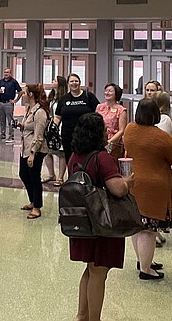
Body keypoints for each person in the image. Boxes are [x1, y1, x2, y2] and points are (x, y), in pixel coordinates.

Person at [68, 113, 134, 321]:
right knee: (99, 273)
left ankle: (82, 315)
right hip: (102, 223)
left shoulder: (75, 156)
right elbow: (117, 190)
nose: (107, 133)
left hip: (81, 221)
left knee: (90, 269)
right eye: (104, 130)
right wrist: (128, 182)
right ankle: (93, 318)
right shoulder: (101, 158)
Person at [123, 98, 172, 280]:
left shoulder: (129, 129)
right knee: (150, 230)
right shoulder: (160, 136)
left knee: (138, 226)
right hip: (154, 188)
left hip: (134, 183)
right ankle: (146, 270)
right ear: (156, 115)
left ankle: (143, 260)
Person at [17, 83, 49, 220]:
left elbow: (39, 135)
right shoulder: (29, 109)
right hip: (25, 148)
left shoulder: (40, 112)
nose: (22, 95)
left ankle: (37, 207)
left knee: (34, 177)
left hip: (35, 150)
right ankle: (32, 200)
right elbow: (29, 127)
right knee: (24, 174)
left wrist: (32, 154)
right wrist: (22, 125)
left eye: (24, 93)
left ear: (30, 94)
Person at [55, 73, 100, 169]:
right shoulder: (64, 99)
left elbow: (98, 113)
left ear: (80, 82)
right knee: (70, 159)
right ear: (68, 83)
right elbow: (58, 116)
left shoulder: (89, 97)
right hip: (68, 135)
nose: (74, 83)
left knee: (85, 159)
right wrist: (53, 129)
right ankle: (72, 178)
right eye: (71, 81)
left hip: (86, 135)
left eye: (76, 81)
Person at [45, 75, 68, 185]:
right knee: (47, 151)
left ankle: (60, 177)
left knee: (61, 153)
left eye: (54, 80)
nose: (52, 81)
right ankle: (51, 174)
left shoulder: (63, 98)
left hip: (60, 127)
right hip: (50, 126)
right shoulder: (51, 96)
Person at [96, 82, 128, 160]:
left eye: (110, 91)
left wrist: (109, 141)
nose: (107, 93)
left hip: (114, 143)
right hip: (99, 140)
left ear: (116, 94)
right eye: (106, 90)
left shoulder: (121, 110)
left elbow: (121, 130)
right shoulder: (99, 107)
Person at [0, 67, 22, 143]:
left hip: (9, 103)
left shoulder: (13, 82)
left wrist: (15, 100)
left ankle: (11, 136)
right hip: (1, 102)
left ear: (10, 73)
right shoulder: (0, 82)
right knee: (2, 120)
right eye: (5, 72)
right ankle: (2, 134)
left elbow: (20, 91)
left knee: (10, 120)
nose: (6, 74)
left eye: (7, 72)